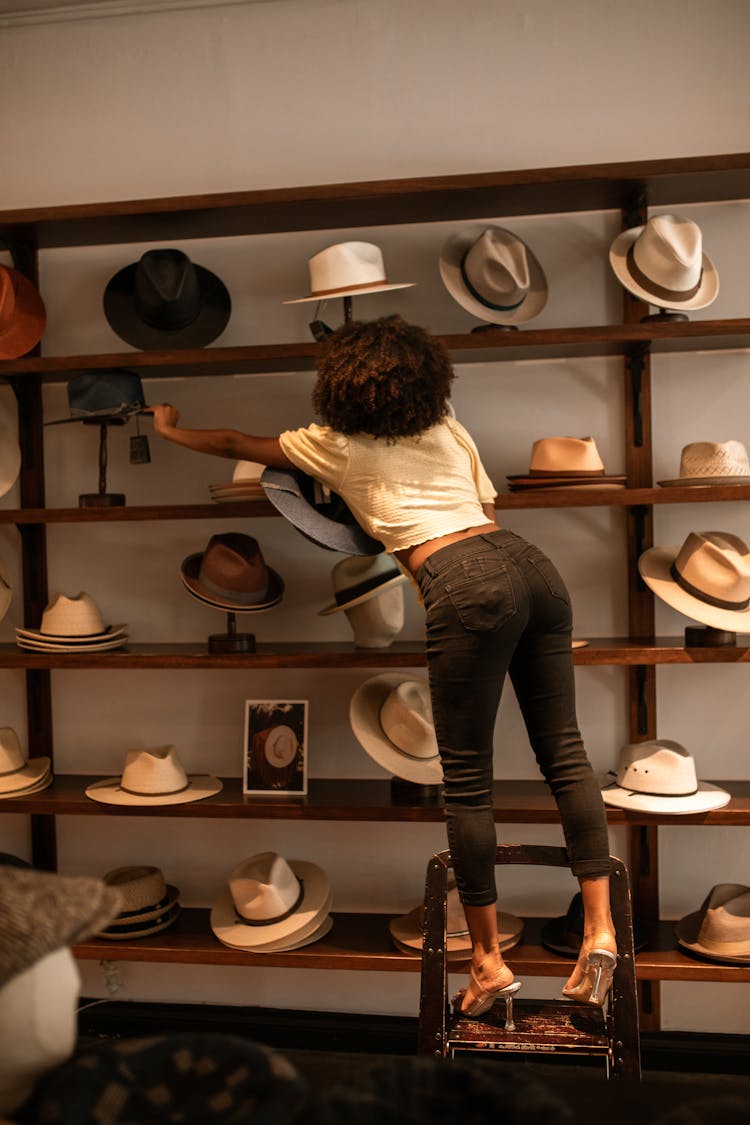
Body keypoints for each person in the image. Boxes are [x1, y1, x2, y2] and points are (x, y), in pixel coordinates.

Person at [150, 314, 616, 1014]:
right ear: (427, 376)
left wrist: (168, 427)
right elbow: (485, 503)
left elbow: (230, 443)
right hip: (531, 564)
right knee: (567, 755)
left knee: (464, 778)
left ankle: (487, 963)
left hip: (461, 582)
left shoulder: (332, 444)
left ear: (339, 387)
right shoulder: (447, 424)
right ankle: (602, 927)